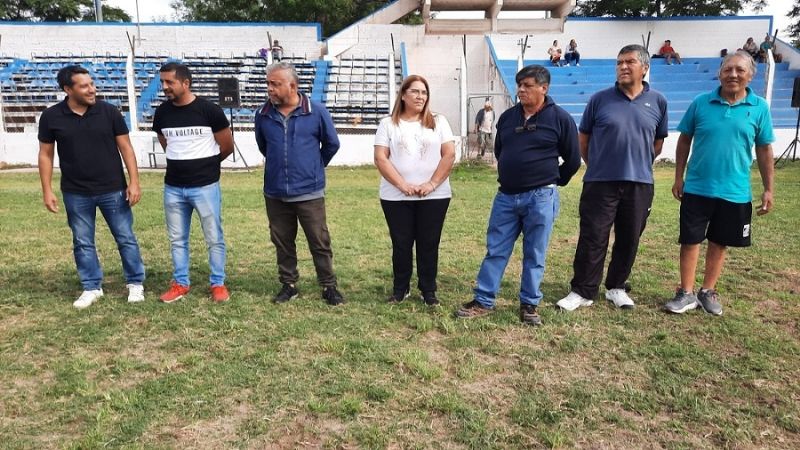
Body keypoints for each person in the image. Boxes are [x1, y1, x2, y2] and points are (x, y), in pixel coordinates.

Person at [456, 65, 581, 326]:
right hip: (506, 197)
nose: (521, 90)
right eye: (519, 85)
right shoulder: (508, 118)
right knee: (496, 250)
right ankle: (483, 300)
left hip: (540, 198)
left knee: (535, 253)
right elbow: (501, 151)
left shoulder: (560, 118)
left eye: (528, 85)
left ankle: (529, 304)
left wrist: (551, 180)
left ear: (543, 88)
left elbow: (572, 160)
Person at [556, 44, 668, 312]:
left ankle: (616, 287)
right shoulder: (599, 99)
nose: (623, 67)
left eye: (629, 62)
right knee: (593, 236)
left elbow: (657, 143)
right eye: (619, 62)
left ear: (645, 67)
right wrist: (598, 165)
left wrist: (637, 164)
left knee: (629, 237)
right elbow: (584, 140)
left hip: (640, 183)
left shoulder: (659, 101)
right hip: (600, 181)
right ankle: (582, 290)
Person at [665, 51, 774, 316]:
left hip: (734, 191)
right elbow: (684, 140)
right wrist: (679, 176)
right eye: (728, 69)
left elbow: (764, 150)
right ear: (719, 72)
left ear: (750, 75)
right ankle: (686, 292)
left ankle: (707, 291)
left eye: (739, 70)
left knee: (719, 241)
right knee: (690, 240)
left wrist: (768, 188)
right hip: (698, 187)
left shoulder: (759, 108)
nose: (733, 75)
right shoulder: (701, 103)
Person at [37, 65, 145, 309]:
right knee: (82, 241)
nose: (92, 89)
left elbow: (126, 148)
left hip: (113, 190)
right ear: (68, 89)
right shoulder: (52, 117)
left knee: (125, 237)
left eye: (92, 84)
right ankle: (91, 286)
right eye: (84, 86)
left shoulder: (109, 112)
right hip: (75, 192)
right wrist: (47, 189)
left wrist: (134, 182)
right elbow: (45, 154)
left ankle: (135, 283)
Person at [254, 62, 345, 306]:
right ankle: (289, 285)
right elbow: (264, 147)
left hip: (309, 192)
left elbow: (331, 144)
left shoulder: (316, 111)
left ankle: (328, 286)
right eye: (268, 84)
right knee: (282, 241)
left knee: (319, 241)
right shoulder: (262, 114)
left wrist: (313, 167)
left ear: (292, 85)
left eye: (275, 84)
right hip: (274, 192)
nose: (270, 89)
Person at [152, 62, 234, 304]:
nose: (165, 87)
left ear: (185, 83)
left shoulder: (209, 110)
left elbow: (227, 146)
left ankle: (218, 283)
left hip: (205, 187)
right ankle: (180, 283)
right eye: (162, 82)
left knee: (213, 237)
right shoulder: (162, 113)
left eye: (170, 82)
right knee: (177, 239)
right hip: (173, 188)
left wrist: (206, 167)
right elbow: (166, 144)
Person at [374, 75, 456, 306]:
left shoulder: (439, 121)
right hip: (395, 196)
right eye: (415, 92)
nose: (421, 96)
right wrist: (403, 185)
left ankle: (428, 289)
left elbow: (449, 154)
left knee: (429, 243)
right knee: (401, 243)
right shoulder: (388, 124)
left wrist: (431, 184)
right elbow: (381, 158)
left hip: (435, 195)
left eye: (424, 92)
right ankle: (401, 289)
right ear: (403, 94)